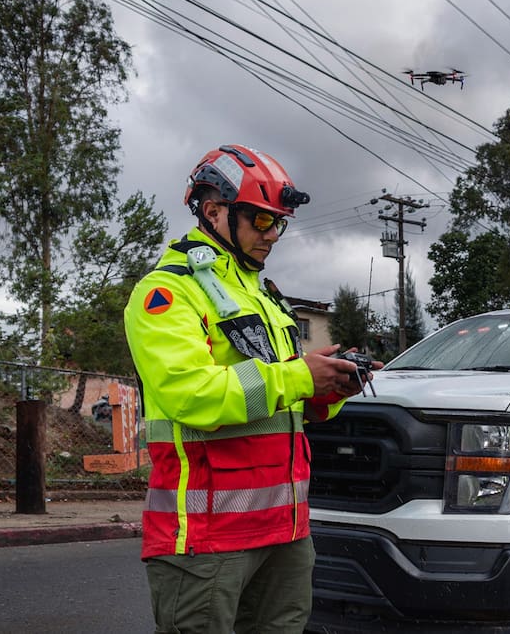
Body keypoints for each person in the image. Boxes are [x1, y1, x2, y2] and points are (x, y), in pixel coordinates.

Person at [124, 144, 377, 633]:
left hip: (285, 533)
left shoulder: (263, 297)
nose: (273, 235)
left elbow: (284, 406)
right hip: (208, 539)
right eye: (262, 221)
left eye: (279, 223)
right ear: (214, 210)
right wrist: (302, 375)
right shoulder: (167, 292)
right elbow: (192, 396)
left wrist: (330, 384)